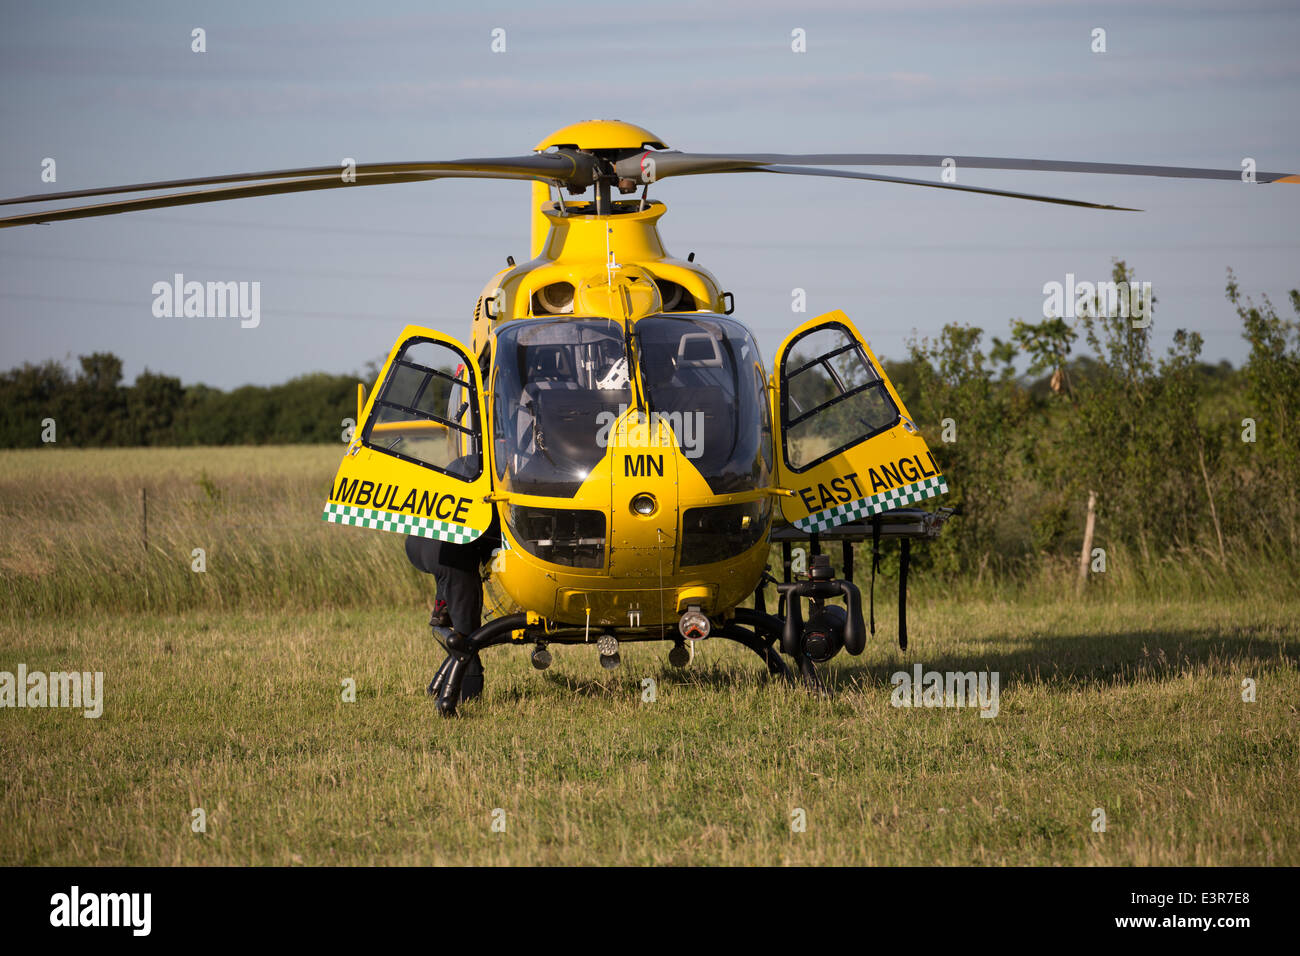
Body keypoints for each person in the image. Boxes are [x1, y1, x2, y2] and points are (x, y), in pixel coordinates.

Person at [404, 510, 501, 702]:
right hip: (453, 553)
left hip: (419, 540)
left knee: (453, 627)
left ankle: (442, 613)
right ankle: (466, 698)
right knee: (469, 638)